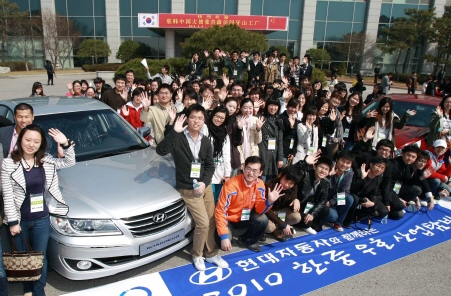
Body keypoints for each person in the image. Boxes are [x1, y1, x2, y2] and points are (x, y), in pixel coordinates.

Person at [2, 124, 75, 296]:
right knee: (23, 257)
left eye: (36, 141)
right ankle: (27, 289)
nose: (31, 144)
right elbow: (7, 194)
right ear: (20, 140)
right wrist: (13, 222)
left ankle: (38, 291)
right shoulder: (8, 163)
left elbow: (69, 161)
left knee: (40, 258)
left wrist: (65, 144)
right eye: (27, 140)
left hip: (41, 218)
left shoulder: (46, 160)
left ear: (41, 143)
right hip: (19, 220)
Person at [156, 104, 228, 271]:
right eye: (193, 117)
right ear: (187, 118)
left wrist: (204, 183)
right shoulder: (178, 137)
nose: (196, 121)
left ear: (204, 121)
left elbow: (210, 166)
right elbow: (161, 150)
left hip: (205, 186)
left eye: (200, 118)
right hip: (188, 188)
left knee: (211, 221)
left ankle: (211, 254)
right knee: (202, 223)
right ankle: (197, 254)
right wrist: (174, 131)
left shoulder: (205, 140)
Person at [215, 156, 285, 252]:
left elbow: (259, 210)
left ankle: (247, 240)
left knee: (263, 219)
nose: (250, 173)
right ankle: (227, 234)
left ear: (260, 173)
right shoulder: (231, 185)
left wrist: (269, 202)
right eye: (248, 169)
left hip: (245, 218)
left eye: (255, 171)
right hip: (228, 219)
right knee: (223, 243)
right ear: (243, 168)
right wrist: (224, 236)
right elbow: (220, 211)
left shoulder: (260, 184)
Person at [292, 153, 331, 234]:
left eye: (326, 169)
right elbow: (293, 171)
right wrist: (304, 162)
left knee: (325, 209)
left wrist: (312, 213)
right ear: (315, 166)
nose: (323, 171)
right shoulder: (305, 174)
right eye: (321, 167)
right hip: (297, 204)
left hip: (309, 206)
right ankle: (300, 224)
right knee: (306, 222)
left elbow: (322, 201)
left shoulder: (326, 182)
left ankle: (305, 223)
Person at [201, 106, 231, 203]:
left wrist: (227, 174)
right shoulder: (205, 128)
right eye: (217, 116)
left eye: (222, 118)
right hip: (205, 170)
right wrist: (203, 108)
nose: (218, 119)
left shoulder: (225, 134)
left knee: (215, 200)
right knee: (205, 199)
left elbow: (226, 155)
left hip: (218, 170)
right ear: (212, 115)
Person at [264, 165, 303, 242]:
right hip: (268, 212)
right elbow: (265, 209)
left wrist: (296, 200)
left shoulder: (293, 187)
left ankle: (277, 227)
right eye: (285, 180)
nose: (287, 185)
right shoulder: (270, 185)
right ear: (281, 176)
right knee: (269, 227)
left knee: (297, 217)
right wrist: (283, 224)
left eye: (290, 183)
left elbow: (292, 202)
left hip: (280, 212)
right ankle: (275, 229)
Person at [325, 151, 355, 231]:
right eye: (343, 161)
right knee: (332, 216)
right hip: (323, 197)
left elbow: (345, 191)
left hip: (333, 199)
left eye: (348, 163)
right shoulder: (328, 167)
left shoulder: (349, 172)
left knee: (349, 199)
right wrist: (328, 175)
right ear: (337, 159)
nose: (345, 165)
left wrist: (331, 202)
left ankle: (337, 223)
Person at [257, 97, 284, 181]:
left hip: (273, 155)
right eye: (271, 105)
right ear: (267, 106)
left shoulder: (279, 120)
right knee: (261, 179)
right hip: (262, 153)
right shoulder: (260, 117)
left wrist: (280, 158)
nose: (273, 108)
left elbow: (280, 141)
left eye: (276, 105)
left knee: (270, 181)